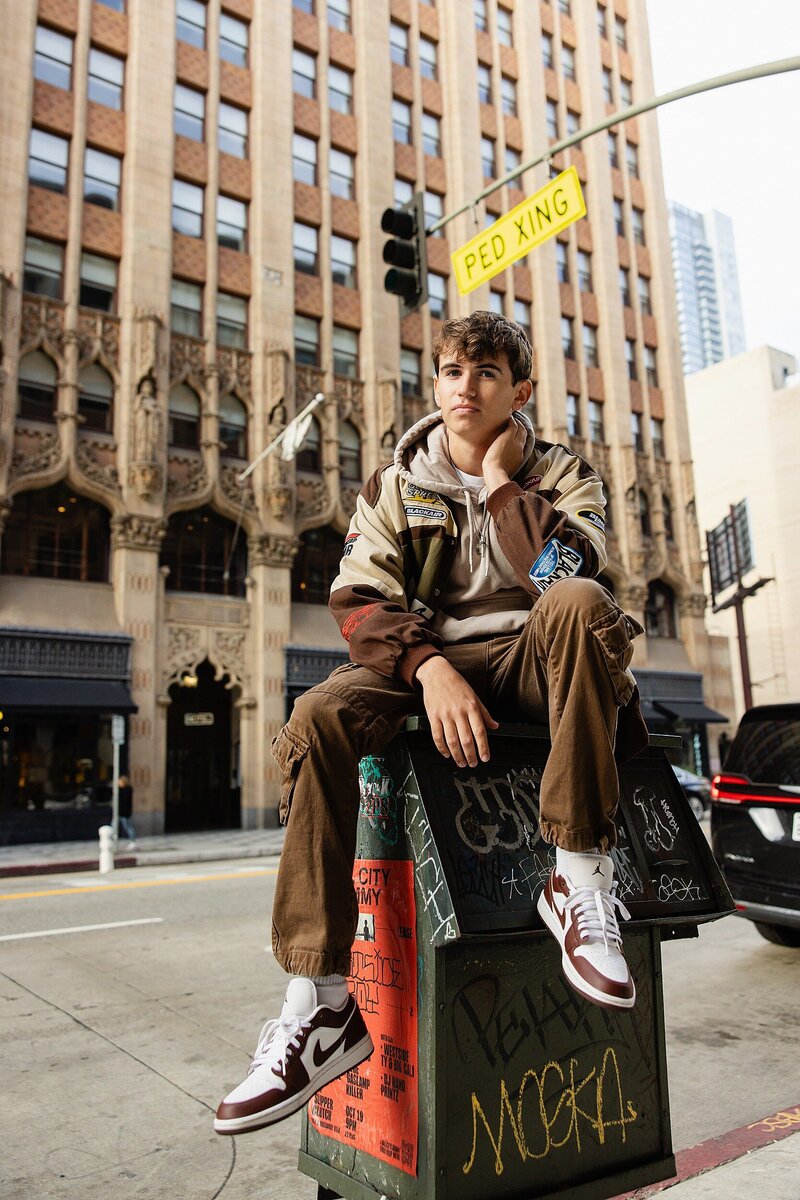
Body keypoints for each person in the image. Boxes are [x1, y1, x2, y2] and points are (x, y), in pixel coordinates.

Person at [214, 310, 648, 1137]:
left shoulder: (565, 474)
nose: (464, 387)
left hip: (535, 662)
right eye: (452, 371)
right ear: (437, 382)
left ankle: (577, 878)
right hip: (427, 669)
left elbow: (563, 572)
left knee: (581, 603)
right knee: (318, 715)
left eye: (486, 373)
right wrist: (429, 666)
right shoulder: (396, 484)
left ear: (520, 391)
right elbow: (358, 600)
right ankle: (319, 1000)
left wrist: (502, 484)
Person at [116, 775, 136, 849]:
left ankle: (133, 841)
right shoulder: (119, 789)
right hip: (118, 812)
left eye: (120, 782)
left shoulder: (127, 790)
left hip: (124, 812)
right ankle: (111, 841)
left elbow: (124, 800)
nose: (119, 783)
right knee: (113, 826)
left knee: (128, 826)